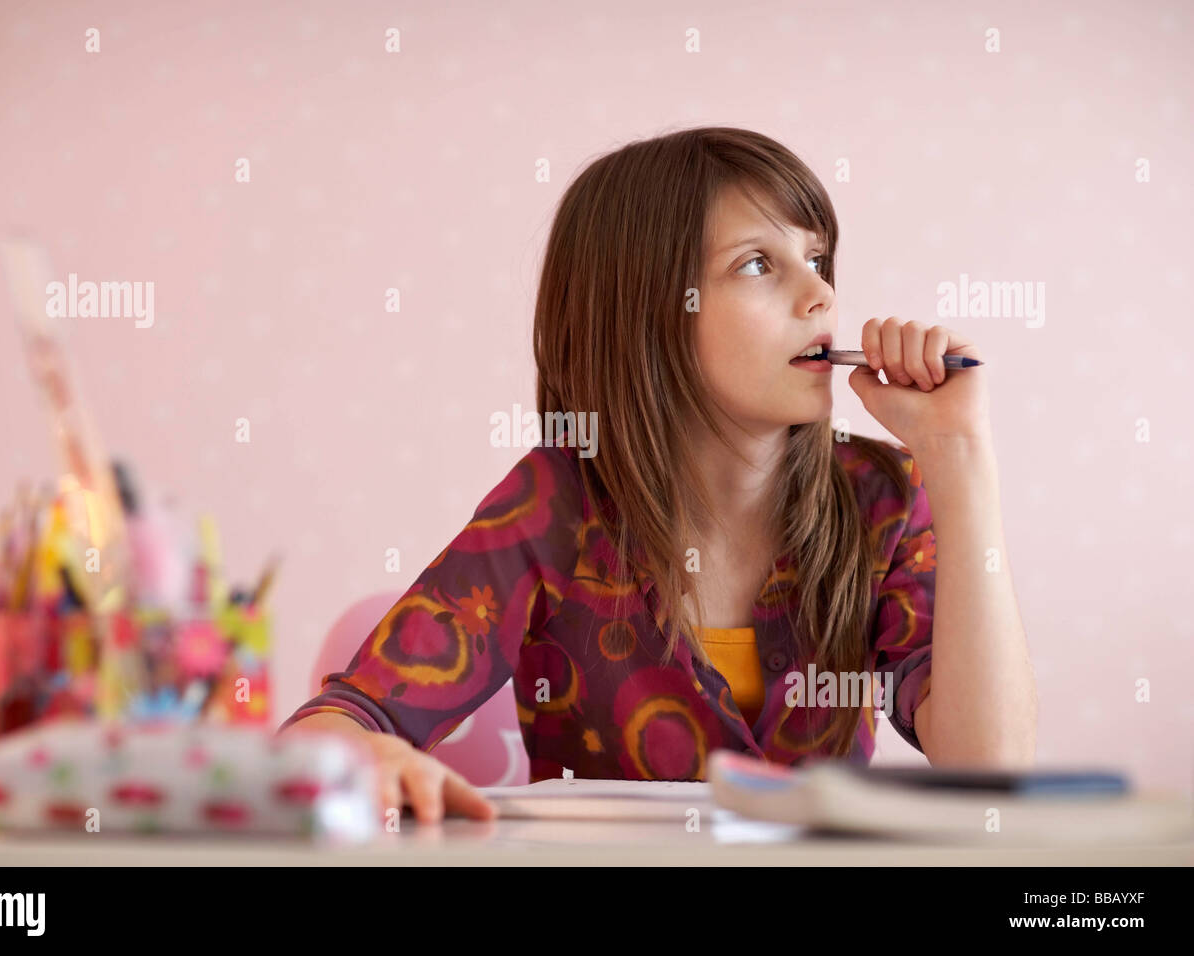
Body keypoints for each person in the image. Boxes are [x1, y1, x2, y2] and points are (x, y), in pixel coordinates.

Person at [280, 126, 1036, 824]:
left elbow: (987, 771)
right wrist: (364, 750)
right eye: (756, 264)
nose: (822, 296)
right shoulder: (555, 508)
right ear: (649, 310)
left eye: (817, 259)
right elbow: (334, 725)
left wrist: (959, 456)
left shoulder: (886, 498)